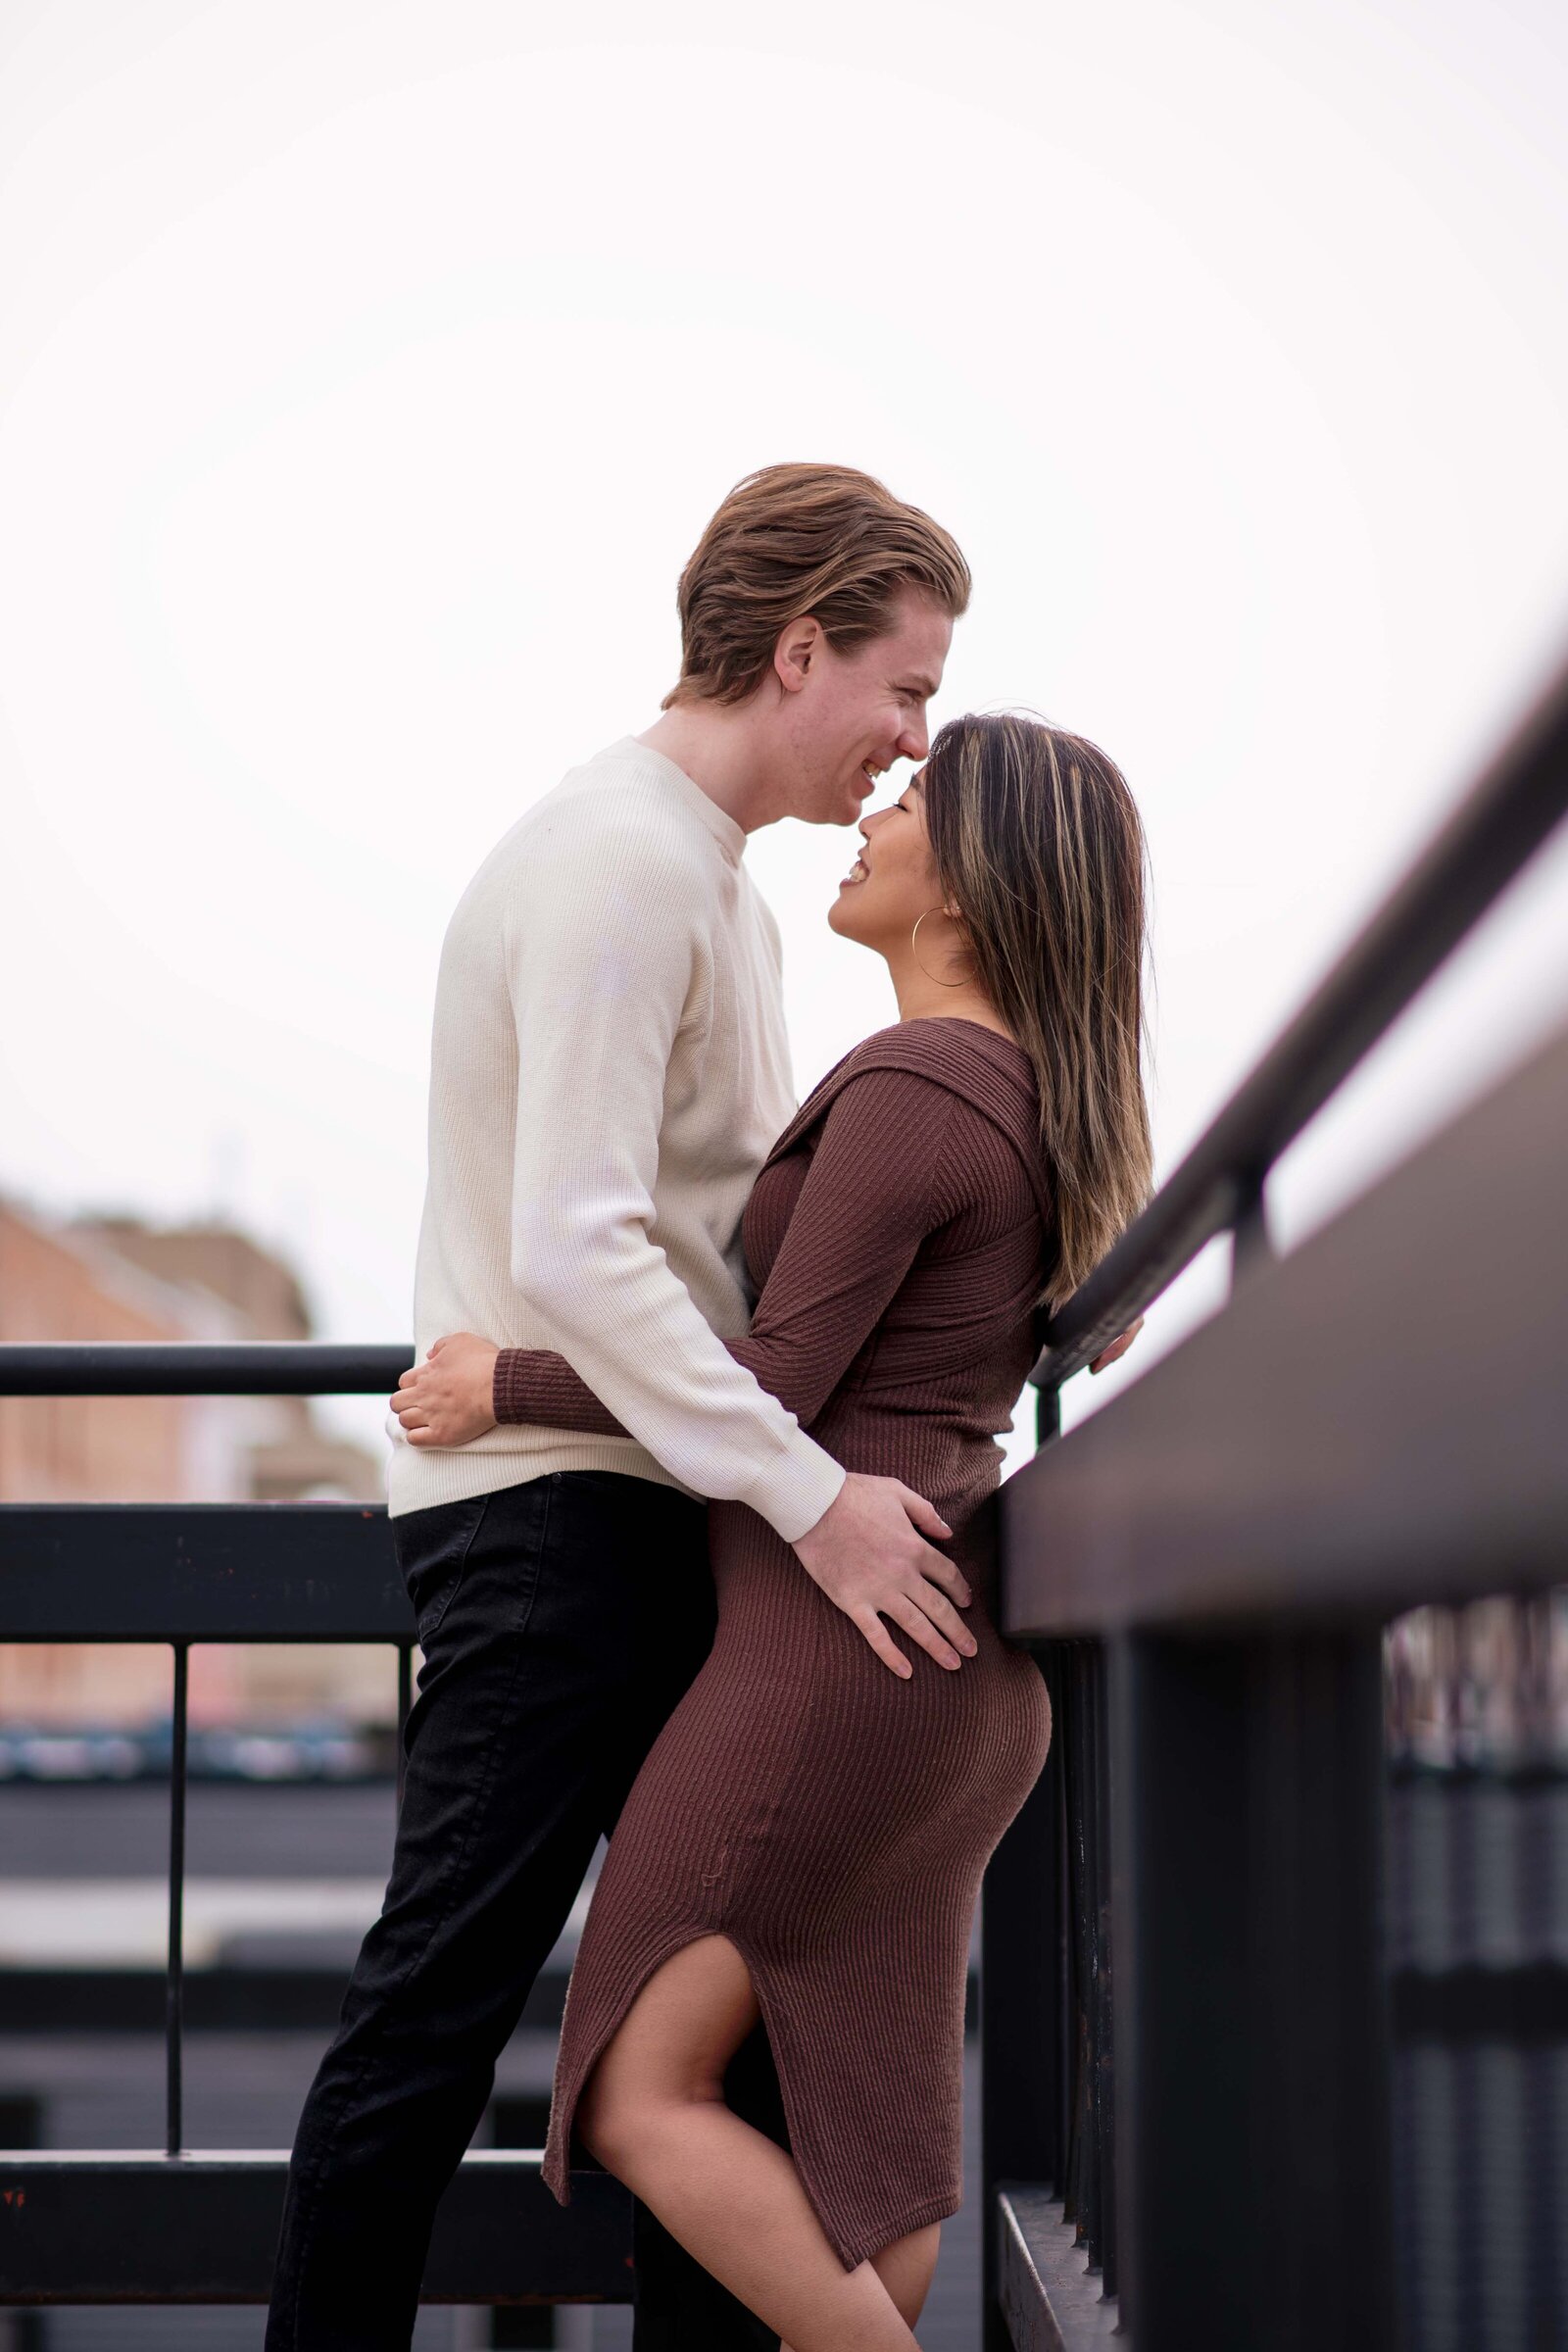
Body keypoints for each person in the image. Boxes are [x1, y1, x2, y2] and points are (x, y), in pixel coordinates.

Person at [264, 463, 983, 2352]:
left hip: (653, 1509)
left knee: (710, 2040)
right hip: (555, 1530)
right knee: (440, 2016)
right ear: (798, 644)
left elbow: (735, 1265)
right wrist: (820, 1498)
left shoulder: (711, 891)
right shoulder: (619, 862)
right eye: (901, 690)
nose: (912, 746)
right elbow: (578, 1249)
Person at [395, 710, 1152, 2351]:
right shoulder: (1041, 1102)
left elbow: (776, 1381)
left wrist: (500, 1378)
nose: (878, 807)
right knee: (863, 2199)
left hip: (833, 1667)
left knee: (633, 2097)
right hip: (957, 1683)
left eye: (918, 801)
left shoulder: (921, 1079)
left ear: (974, 882)